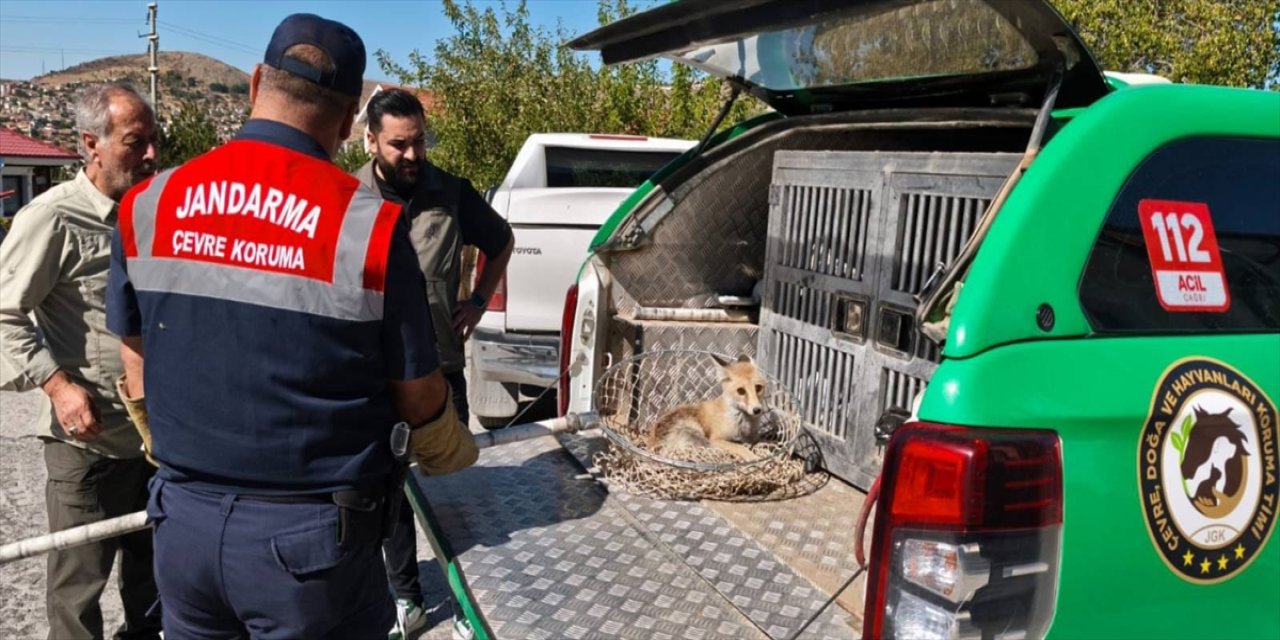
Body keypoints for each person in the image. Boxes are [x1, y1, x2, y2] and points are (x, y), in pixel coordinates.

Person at [106, 14, 465, 638]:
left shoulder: (147, 205)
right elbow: (417, 394)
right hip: (310, 549)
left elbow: (134, 359)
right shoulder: (370, 227)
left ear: (254, 84)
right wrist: (448, 449)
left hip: (183, 528)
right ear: (350, 118)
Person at [0, 83, 160, 640]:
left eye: (155, 141)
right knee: (76, 600)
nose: (151, 155)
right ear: (92, 144)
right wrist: (57, 386)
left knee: (156, 591)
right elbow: (3, 313)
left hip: (157, 445)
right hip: (87, 448)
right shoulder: (52, 217)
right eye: (135, 142)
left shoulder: (153, 212)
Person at [354, 87, 513, 639]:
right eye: (399, 144)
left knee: (453, 490)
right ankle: (408, 598)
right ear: (370, 141)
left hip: (440, 366)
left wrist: (478, 300)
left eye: (419, 141)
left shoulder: (450, 192)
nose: (412, 155)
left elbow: (501, 241)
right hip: (374, 373)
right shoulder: (347, 197)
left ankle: (470, 602)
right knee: (390, 495)